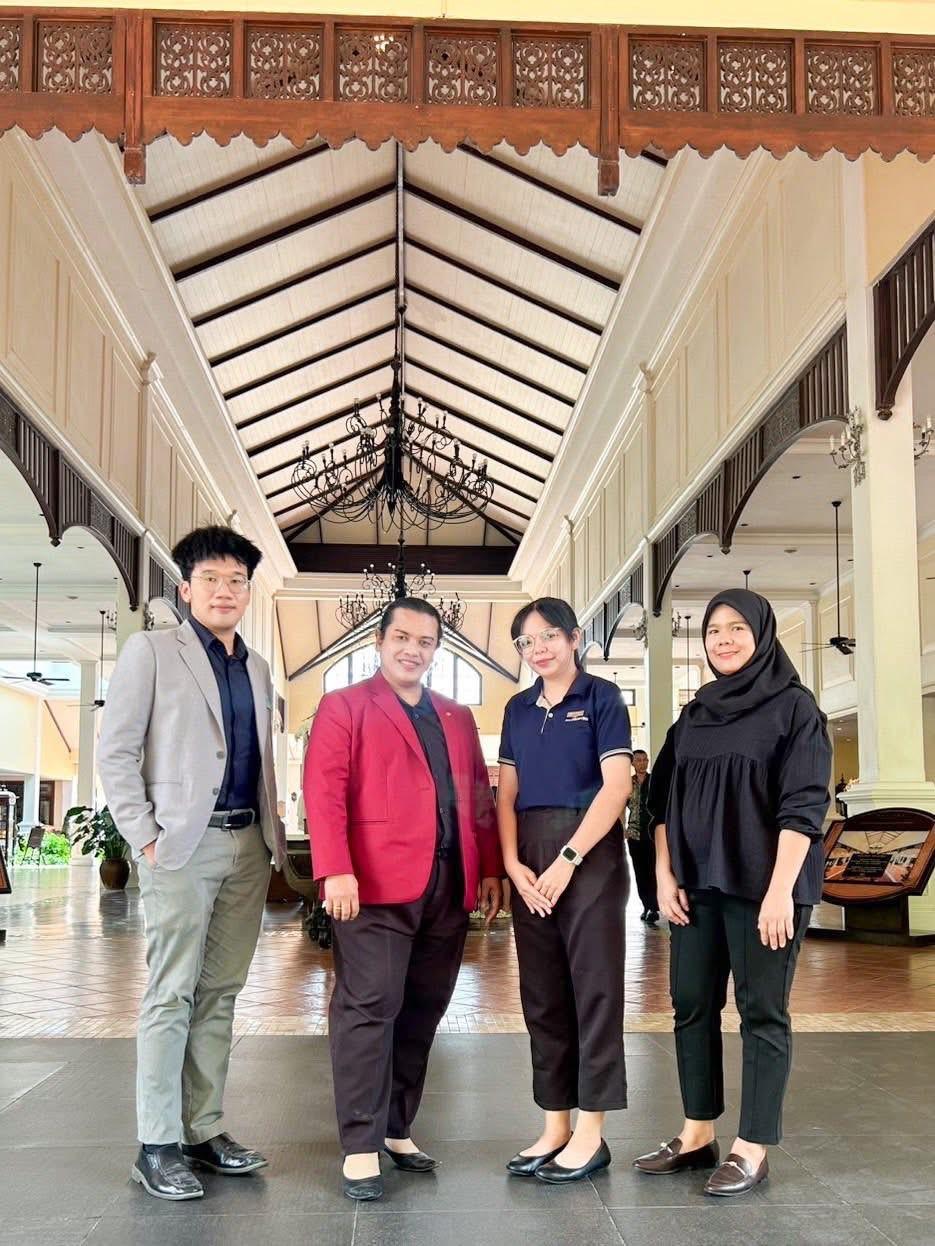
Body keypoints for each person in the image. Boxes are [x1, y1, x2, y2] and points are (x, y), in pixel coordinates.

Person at [98, 526, 286, 1201]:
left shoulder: (256, 667)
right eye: (211, 578)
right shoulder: (151, 651)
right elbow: (116, 750)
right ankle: (156, 1145)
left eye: (237, 580)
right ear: (186, 589)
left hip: (247, 844)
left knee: (221, 992)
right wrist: (144, 836)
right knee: (170, 992)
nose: (225, 590)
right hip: (181, 845)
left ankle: (202, 1129)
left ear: (248, 591)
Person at [633, 589, 831, 1197]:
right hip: (696, 887)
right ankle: (698, 1133)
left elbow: (804, 807)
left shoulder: (795, 708)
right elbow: (659, 802)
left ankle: (752, 1146)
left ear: (763, 634)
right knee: (691, 1004)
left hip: (766, 890)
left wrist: (779, 893)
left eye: (737, 627)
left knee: (761, 1012)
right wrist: (665, 875)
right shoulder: (694, 716)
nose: (723, 639)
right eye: (714, 629)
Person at [304, 597, 503, 1202]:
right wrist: (335, 869)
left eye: (425, 641)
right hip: (370, 887)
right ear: (379, 641)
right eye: (402, 638)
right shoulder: (344, 705)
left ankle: (396, 1127)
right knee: (368, 1008)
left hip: (447, 886)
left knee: (423, 1008)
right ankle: (360, 1144)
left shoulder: (456, 716)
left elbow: (478, 796)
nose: (413, 650)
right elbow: (324, 791)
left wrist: (488, 867)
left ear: (436, 649)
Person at [497, 598, 632, 1185]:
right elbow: (505, 795)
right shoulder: (517, 708)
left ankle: (591, 1133)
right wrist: (512, 863)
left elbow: (617, 786)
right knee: (543, 993)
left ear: (575, 638)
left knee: (593, 992)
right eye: (526, 642)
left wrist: (569, 858)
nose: (539, 649)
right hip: (529, 857)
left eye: (549, 635)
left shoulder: (602, 697)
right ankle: (555, 1125)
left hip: (590, 857)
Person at [625, 749, 658, 924]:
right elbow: (619, 806)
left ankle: (654, 906)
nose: (642, 763)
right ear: (632, 763)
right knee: (640, 872)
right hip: (635, 835)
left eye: (645, 760)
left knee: (653, 871)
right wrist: (622, 828)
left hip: (653, 835)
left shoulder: (655, 781)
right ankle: (647, 905)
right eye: (638, 760)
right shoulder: (628, 783)